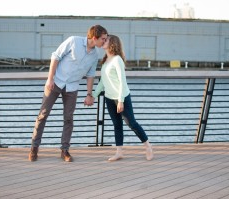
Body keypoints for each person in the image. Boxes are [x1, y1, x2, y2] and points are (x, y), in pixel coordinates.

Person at [29, 25, 108, 162]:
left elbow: (90, 75)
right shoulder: (73, 41)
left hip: (72, 88)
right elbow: (56, 56)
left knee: (68, 118)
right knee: (43, 115)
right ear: (94, 38)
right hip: (55, 83)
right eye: (103, 39)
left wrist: (89, 94)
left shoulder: (95, 55)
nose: (104, 41)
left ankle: (64, 150)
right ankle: (34, 148)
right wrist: (50, 79)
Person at [92, 35, 153, 161]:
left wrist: (120, 101)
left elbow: (122, 82)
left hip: (122, 97)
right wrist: (93, 96)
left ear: (112, 43)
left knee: (132, 123)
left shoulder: (117, 59)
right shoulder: (105, 61)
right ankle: (119, 152)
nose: (103, 41)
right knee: (117, 125)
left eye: (106, 40)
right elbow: (103, 81)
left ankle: (147, 146)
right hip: (109, 98)